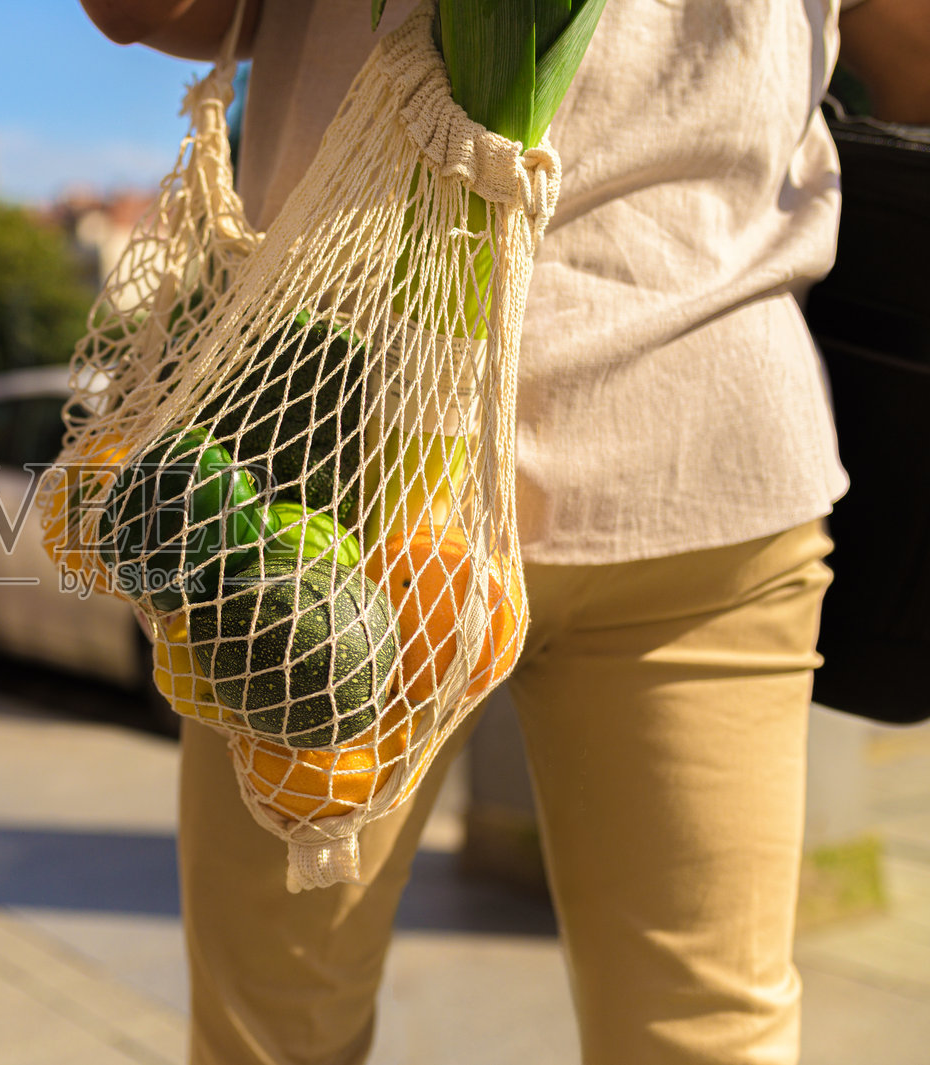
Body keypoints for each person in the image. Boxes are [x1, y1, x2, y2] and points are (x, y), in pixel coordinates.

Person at [79, 1, 930, 1063]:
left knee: (272, 1026)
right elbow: (911, 54)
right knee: (704, 1028)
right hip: (674, 430)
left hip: (334, 450)